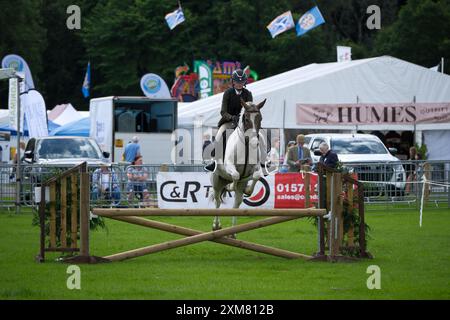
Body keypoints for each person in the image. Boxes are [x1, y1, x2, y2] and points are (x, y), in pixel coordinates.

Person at [204, 68, 254, 172]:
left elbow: (250, 109)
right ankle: (215, 161)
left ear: (245, 82)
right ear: (233, 82)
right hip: (228, 120)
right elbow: (223, 111)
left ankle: (262, 160)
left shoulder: (248, 94)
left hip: (244, 121)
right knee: (220, 134)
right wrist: (232, 117)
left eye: (242, 82)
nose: (239, 84)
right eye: (237, 82)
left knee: (256, 134)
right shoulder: (228, 93)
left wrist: (243, 118)